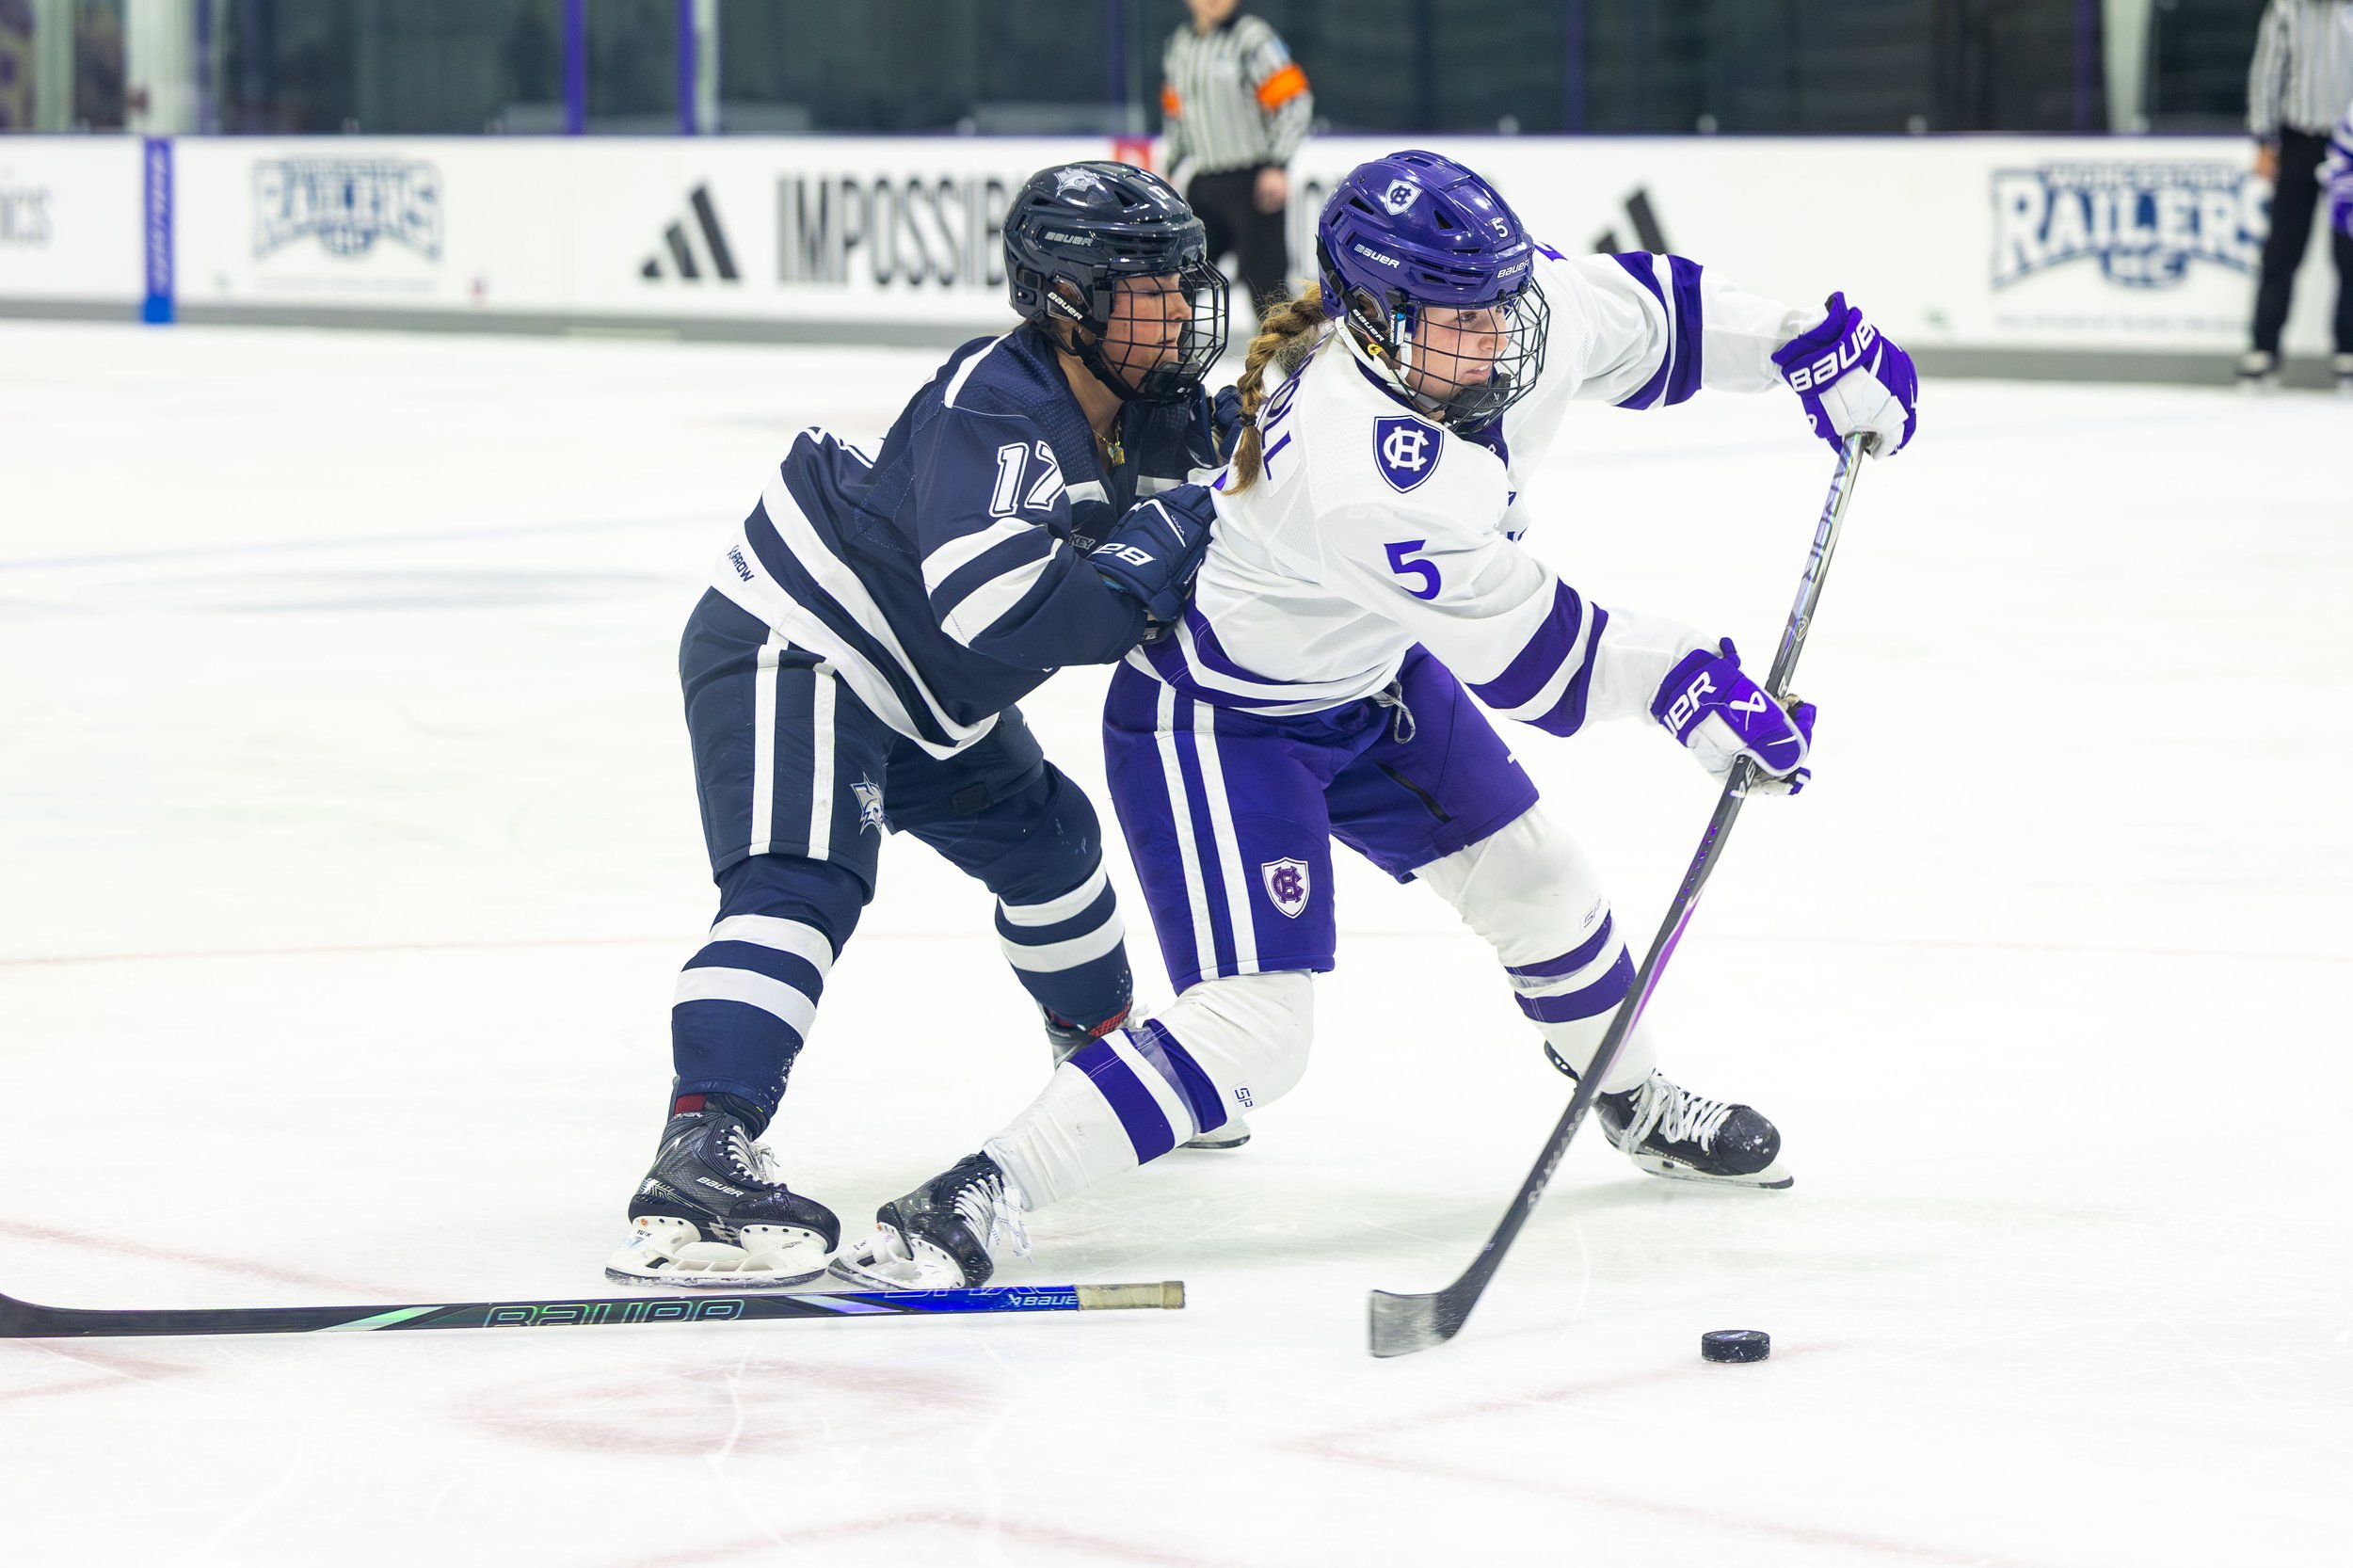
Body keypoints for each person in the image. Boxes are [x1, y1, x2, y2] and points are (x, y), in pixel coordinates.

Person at [830, 150, 1919, 1291]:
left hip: (1368, 678)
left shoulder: (1505, 314)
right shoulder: (1360, 465)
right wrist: (1687, 685)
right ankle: (980, 1192)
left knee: (1541, 881)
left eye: (1503, 303)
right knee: (1260, 1028)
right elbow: (1532, 656)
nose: (1496, 340)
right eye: (1461, 320)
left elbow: (1659, 314)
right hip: (1221, 721)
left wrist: (1806, 345)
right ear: (1375, 317)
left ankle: (1636, 1098)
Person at [605, 161, 1242, 1288]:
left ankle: (1103, 1061)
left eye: (1187, 282)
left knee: (1055, 846)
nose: (1184, 309)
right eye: (1152, 287)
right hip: (802, 637)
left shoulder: (1152, 410)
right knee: (801, 882)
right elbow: (1007, 610)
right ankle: (700, 1149)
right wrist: (1150, 559)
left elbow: (1249, 487)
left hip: (926, 689)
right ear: (1067, 302)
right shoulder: (993, 405)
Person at [1159, 0, 1313, 316]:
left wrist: (1277, 164)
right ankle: (1171, 359)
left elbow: (1294, 101)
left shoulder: (1252, 39)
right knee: (1181, 278)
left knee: (1267, 286)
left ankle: (1281, 361)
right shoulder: (1180, 45)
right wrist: (1171, 166)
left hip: (1253, 183)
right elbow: (1176, 114)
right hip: (1204, 181)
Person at [2241, 0, 2353, 390]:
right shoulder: (2287, 10)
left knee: (2350, 252)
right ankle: (2263, 349)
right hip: (2299, 140)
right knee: (2283, 250)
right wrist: (2264, 140)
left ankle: (2348, 352)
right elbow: (2267, 73)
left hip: (2349, 147)